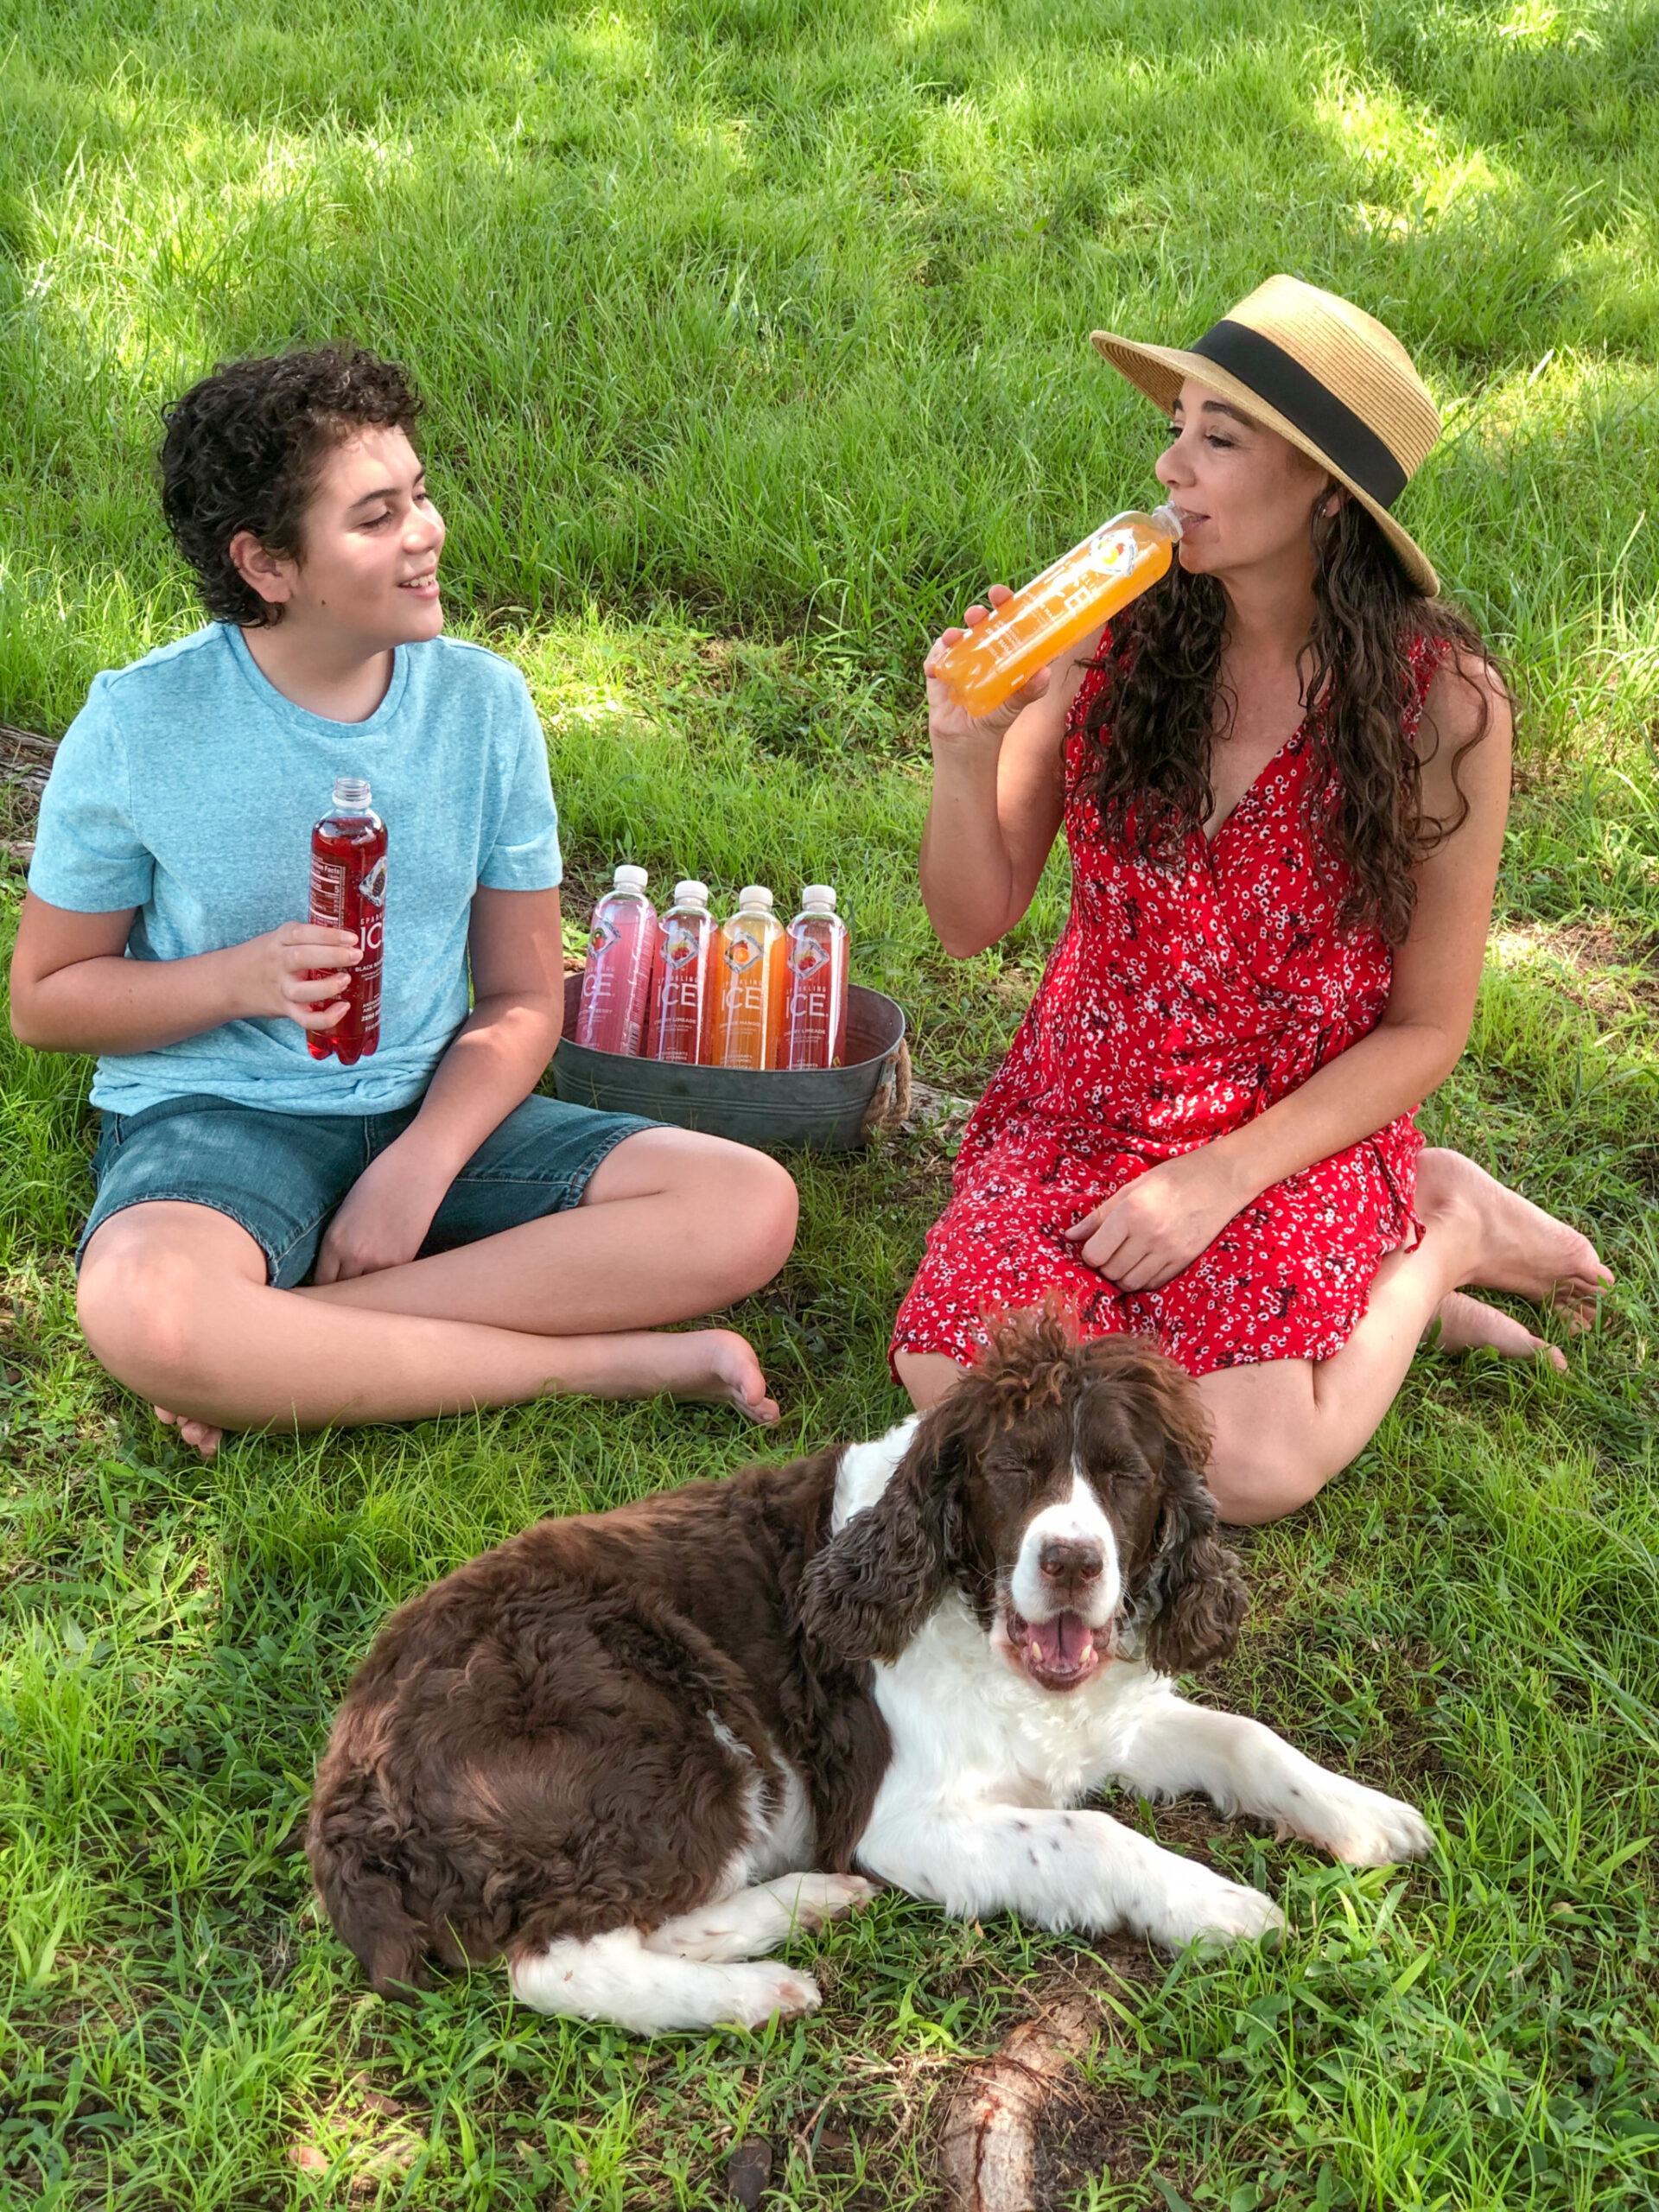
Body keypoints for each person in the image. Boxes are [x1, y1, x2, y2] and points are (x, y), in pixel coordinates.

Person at [894, 277, 1610, 1523]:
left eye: (1218, 437)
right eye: (1176, 424)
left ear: (1328, 491)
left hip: (1289, 1128)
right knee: (971, 1401)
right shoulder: (1110, 635)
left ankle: (1440, 1225)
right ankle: (1397, 1285)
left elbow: (1429, 1027)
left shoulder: (1443, 709)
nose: (1171, 464)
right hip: (1087, 1104)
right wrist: (966, 746)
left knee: (1246, 1469)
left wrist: (1217, 1178)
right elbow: (971, 917)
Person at [9, 346, 797, 1459]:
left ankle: (284, 1348)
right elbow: (45, 1000)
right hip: (221, 1119)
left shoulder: (481, 704)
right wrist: (237, 979)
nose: (425, 531)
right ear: (268, 564)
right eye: (375, 517)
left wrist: (417, 1167)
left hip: (443, 1109)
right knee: (146, 1302)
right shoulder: (143, 725)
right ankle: (607, 1364)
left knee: (747, 1203)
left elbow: (524, 994)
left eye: (418, 496)